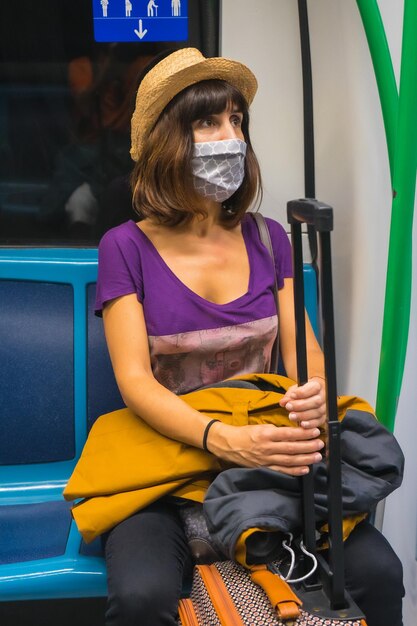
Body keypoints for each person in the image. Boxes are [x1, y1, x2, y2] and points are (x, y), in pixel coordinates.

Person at [95, 48, 404, 626]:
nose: (229, 136)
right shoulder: (125, 247)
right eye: (209, 121)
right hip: (169, 459)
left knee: (380, 574)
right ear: (170, 139)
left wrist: (311, 389)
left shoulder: (268, 238)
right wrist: (220, 439)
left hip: (267, 452)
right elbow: (135, 381)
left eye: (236, 121)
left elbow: (303, 348)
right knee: (143, 597)